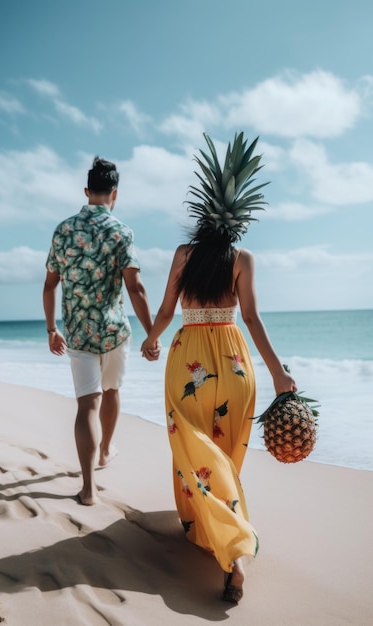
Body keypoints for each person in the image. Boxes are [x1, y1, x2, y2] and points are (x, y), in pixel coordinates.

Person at [141, 132, 297, 604]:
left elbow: (166, 310)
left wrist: (151, 338)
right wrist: (276, 372)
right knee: (224, 456)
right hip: (234, 366)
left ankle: (230, 549)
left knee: (193, 450)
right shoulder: (242, 258)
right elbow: (250, 318)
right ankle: (228, 542)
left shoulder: (184, 255)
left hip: (187, 364)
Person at [43, 156, 159, 506]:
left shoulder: (63, 230)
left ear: (86, 191)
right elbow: (136, 288)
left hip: (78, 333)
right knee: (112, 391)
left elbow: (49, 286)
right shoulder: (122, 232)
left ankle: (88, 488)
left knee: (86, 407)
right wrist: (152, 335)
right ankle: (106, 450)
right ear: (115, 194)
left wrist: (52, 329)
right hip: (113, 331)